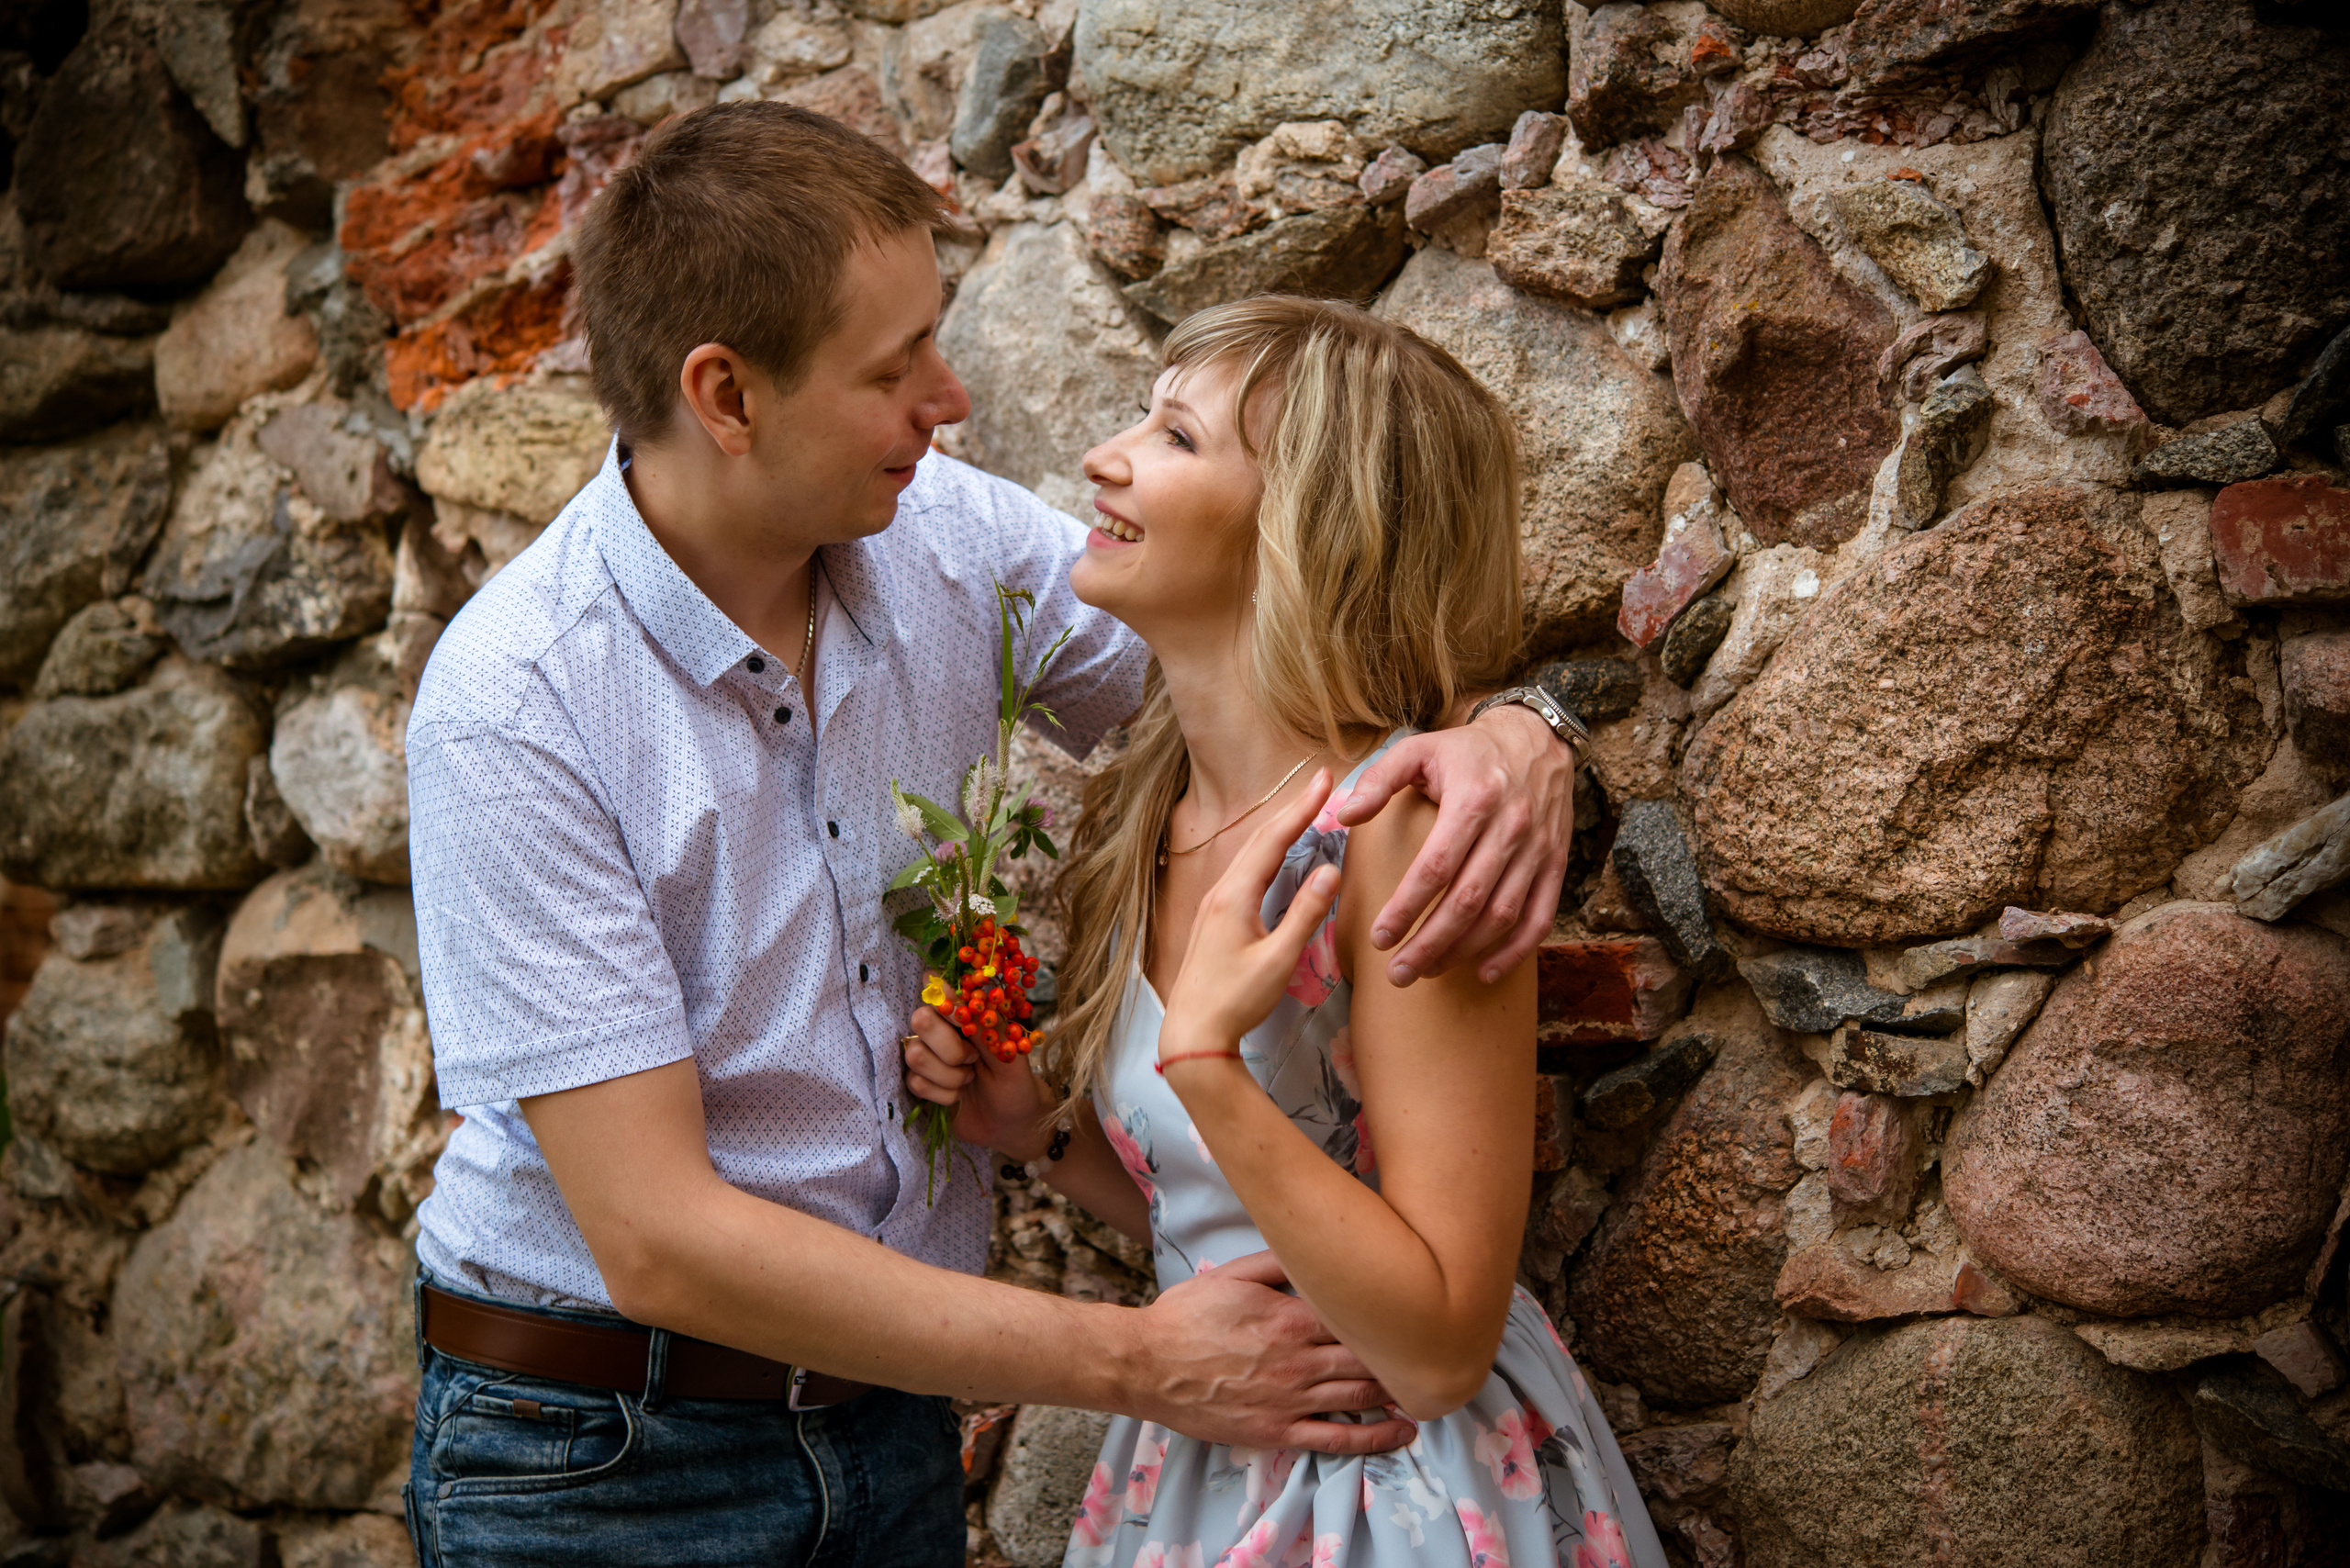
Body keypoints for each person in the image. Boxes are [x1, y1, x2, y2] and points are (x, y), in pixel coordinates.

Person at [399, 102, 1586, 1566]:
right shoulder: (517, 703)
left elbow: (1286, 676)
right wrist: (1138, 1361)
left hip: (893, 1428)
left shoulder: (955, 547)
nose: (950, 400)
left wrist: (1523, 734)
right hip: (605, 1455)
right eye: (893, 367)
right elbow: (657, 1239)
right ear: (727, 395)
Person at [901, 297, 1666, 1568]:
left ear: (1305, 527)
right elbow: (1227, 1226)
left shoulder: (1403, 830)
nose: (1104, 456)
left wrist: (1206, 1065)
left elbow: (1436, 1348)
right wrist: (1037, 1131)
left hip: (1399, 1485)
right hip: (1209, 1447)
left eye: (1176, 437)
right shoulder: (1148, 813)